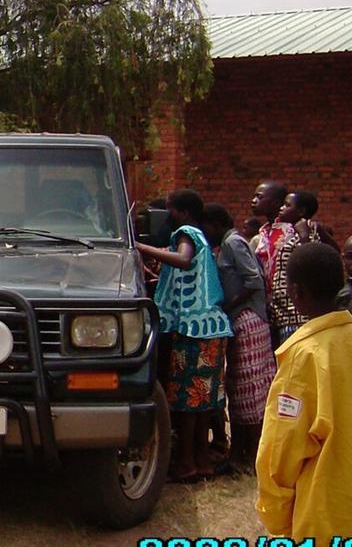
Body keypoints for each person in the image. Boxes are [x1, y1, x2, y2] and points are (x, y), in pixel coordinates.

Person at [256, 242, 352, 541]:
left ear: (296, 292)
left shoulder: (303, 356)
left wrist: (276, 514)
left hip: (324, 518)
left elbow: (282, 448)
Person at [135, 189, 232, 483]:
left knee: (187, 402)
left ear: (184, 212)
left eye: (171, 210)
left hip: (193, 330)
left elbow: (183, 260)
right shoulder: (201, 235)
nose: (168, 217)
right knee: (203, 401)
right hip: (210, 328)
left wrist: (141, 247)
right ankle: (202, 461)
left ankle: (186, 463)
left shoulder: (187, 232)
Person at [203, 203, 274, 474]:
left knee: (251, 391)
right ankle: (239, 453)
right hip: (240, 319)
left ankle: (253, 456)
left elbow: (253, 281)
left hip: (248, 319)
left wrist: (229, 306)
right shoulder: (229, 244)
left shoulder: (233, 242)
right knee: (239, 388)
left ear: (215, 224)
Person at [267, 191, 331, 346]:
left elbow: (311, 264)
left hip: (296, 317)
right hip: (284, 315)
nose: (281, 208)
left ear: (301, 211)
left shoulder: (307, 234)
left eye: (287, 205)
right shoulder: (289, 233)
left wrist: (304, 236)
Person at [251, 181, 291, 291]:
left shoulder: (290, 232)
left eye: (259, 197)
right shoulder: (263, 233)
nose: (253, 201)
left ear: (276, 203)